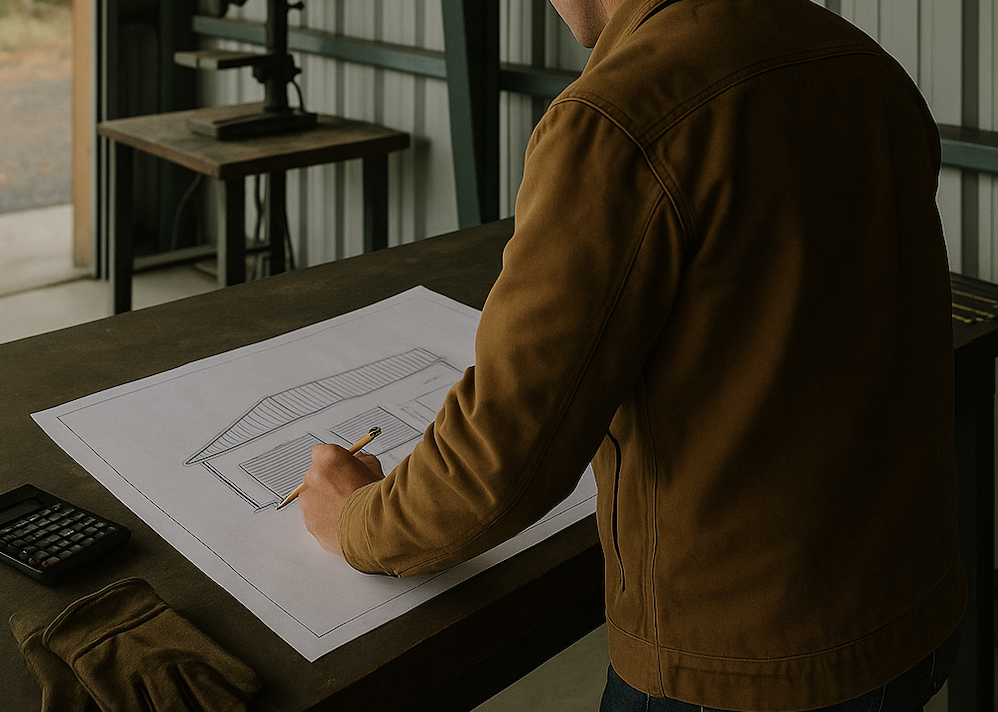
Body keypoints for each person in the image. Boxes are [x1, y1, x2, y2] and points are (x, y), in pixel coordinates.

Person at [298, 0, 967, 709]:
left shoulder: (616, 115)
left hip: (740, 666)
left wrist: (352, 519)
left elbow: (501, 457)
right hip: (910, 620)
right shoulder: (861, 62)